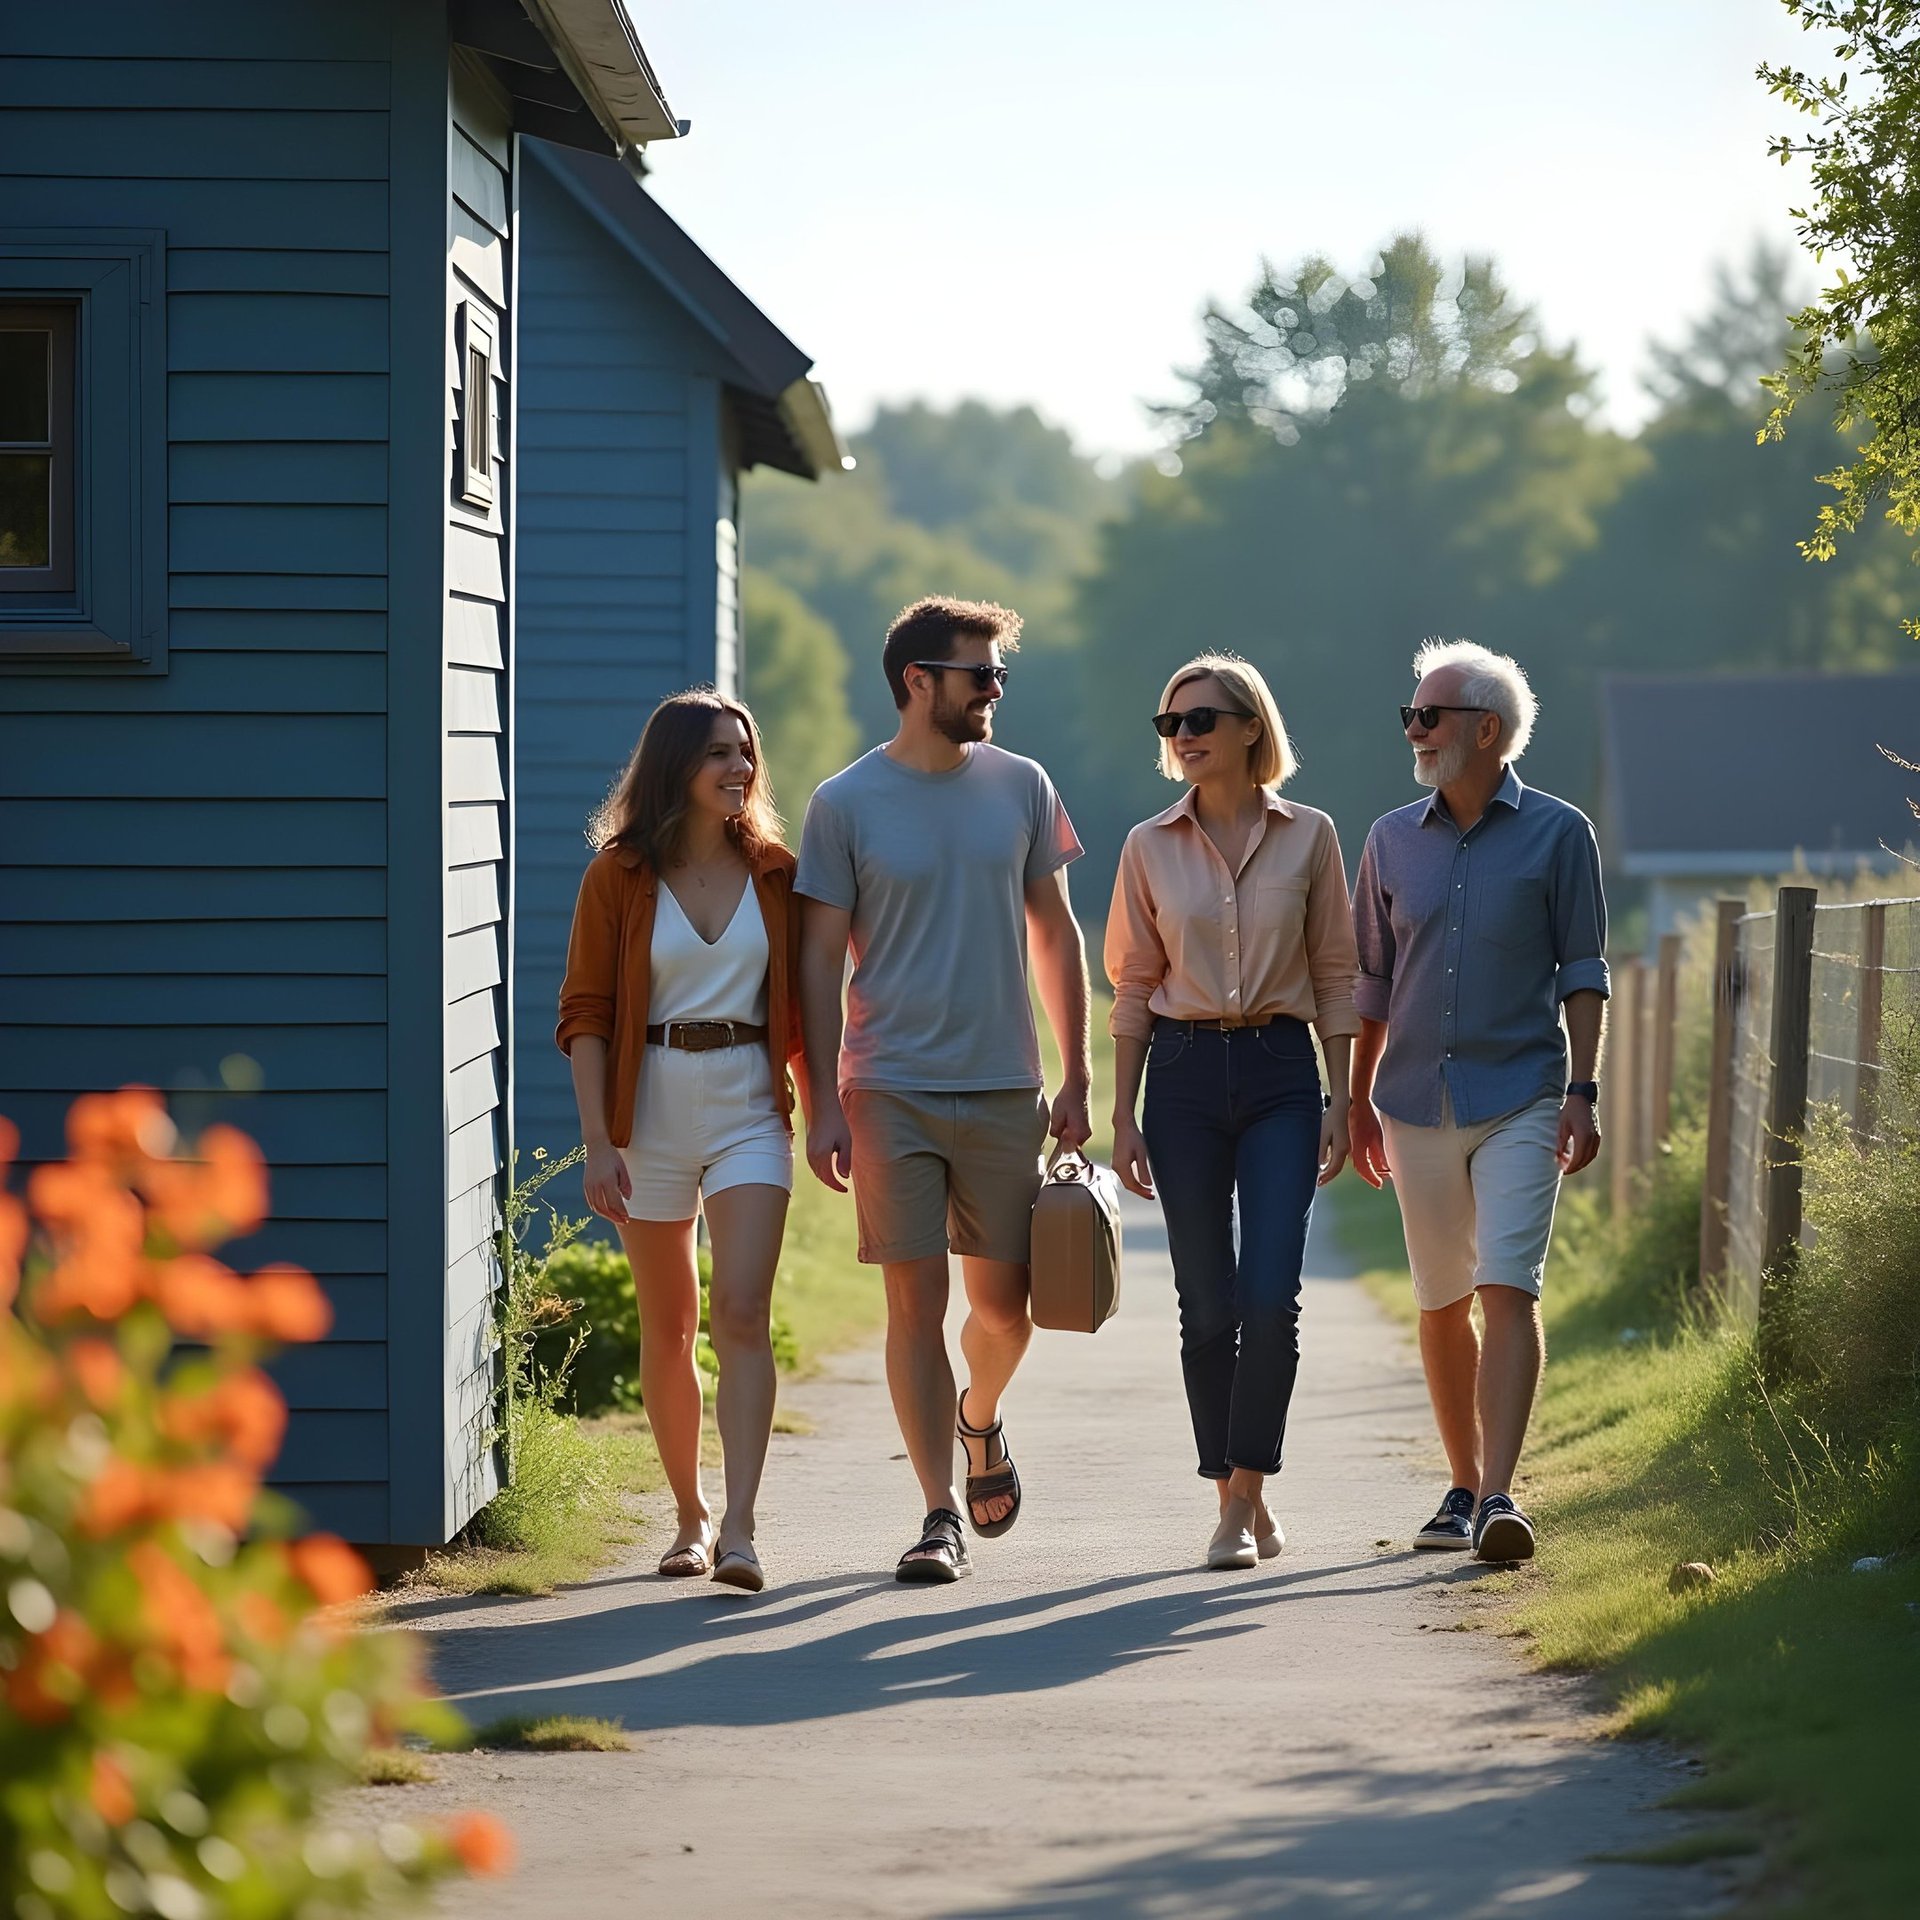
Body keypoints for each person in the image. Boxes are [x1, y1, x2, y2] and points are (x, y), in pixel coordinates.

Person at [796, 596, 1091, 1584]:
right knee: (911, 1308)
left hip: (1006, 1084)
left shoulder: (1024, 784)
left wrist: (1079, 1067)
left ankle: (979, 1419)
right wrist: (827, 1099)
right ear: (918, 681)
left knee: (1005, 1309)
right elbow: (818, 962)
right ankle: (935, 1516)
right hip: (889, 1088)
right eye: (980, 674)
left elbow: (1056, 932)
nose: (996, 691)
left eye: (1000, 675)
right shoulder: (844, 803)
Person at [1348, 639, 1608, 1565]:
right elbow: (1370, 983)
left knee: (1508, 1284)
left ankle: (1500, 1495)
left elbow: (1584, 969)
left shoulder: (1559, 833)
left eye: (1430, 716)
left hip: (1525, 1094)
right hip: (1412, 1099)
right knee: (1439, 1297)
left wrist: (1583, 1089)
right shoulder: (1386, 840)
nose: (1413, 730)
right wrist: (1353, 1099)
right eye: (1410, 716)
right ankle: (1460, 1485)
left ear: (1486, 730)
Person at [1106, 654, 1359, 1569]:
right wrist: (1123, 1114)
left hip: (1282, 1071)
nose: (1184, 737)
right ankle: (1233, 1497)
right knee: (1205, 1298)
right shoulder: (1146, 845)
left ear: (1252, 726)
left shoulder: (1313, 836)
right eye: (1170, 724)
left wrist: (1343, 1098)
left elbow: (1337, 973)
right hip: (1177, 1074)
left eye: (1202, 719)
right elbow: (1133, 984)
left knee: (1269, 1293)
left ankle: (1242, 1498)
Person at [555, 689, 806, 1594]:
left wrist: (830, 1116)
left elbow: (809, 1015)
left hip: (748, 1109)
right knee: (670, 1326)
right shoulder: (617, 876)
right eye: (716, 754)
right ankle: (690, 1518)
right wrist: (596, 1141)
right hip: (646, 1116)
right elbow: (585, 1013)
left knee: (742, 1313)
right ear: (674, 767)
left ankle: (740, 1529)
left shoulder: (777, 872)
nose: (738, 768)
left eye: (745, 751)